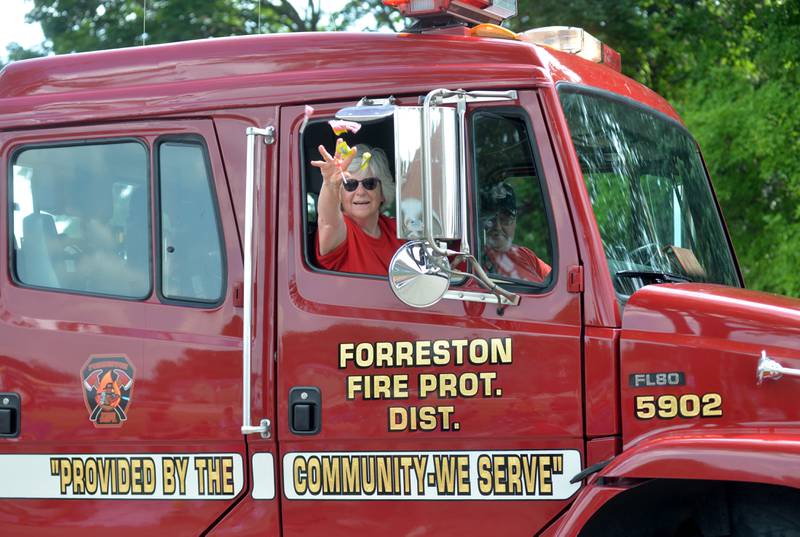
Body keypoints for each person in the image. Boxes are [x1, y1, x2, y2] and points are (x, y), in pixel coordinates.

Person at [311, 141, 405, 275]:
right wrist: (330, 185)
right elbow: (327, 223)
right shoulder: (340, 231)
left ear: (383, 192)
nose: (360, 192)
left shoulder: (398, 229)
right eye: (350, 185)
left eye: (369, 183)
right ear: (340, 194)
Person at [481, 182, 551, 283]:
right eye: (491, 219)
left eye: (505, 219)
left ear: (515, 222)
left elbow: (558, 284)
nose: (498, 227)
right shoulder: (471, 261)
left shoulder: (525, 255)